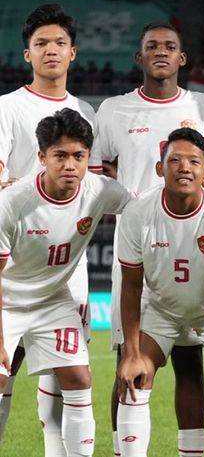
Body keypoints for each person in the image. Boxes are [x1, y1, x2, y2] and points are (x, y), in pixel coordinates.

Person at [88, 21, 204, 457]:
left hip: (194, 247)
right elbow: (96, 175)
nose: (161, 51)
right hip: (137, 248)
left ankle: (191, 451)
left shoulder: (203, 105)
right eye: (152, 46)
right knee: (130, 359)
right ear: (139, 57)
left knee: (189, 360)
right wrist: (128, 201)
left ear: (182, 58)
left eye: (169, 46)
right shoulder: (113, 110)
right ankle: (122, 450)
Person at [116, 128, 204, 457]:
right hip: (161, 308)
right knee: (135, 376)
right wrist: (132, 353)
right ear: (159, 168)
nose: (184, 167)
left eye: (194, 161)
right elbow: (131, 287)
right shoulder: (138, 213)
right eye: (175, 160)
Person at [0, 108, 132, 457]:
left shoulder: (99, 190)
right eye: (60, 156)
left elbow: (145, 208)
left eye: (79, 156)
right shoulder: (12, 202)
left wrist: (199, 191)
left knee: (79, 379)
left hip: (53, 300)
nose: (70, 165)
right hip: (7, 301)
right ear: (42, 157)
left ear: (89, 157)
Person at [0, 4, 96, 456]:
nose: (51, 50)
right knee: (5, 369)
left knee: (66, 374)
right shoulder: (8, 107)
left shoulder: (85, 112)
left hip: (68, 266)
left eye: (59, 42)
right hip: (15, 261)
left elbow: (97, 183)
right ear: (27, 54)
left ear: (73, 52)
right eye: (41, 43)